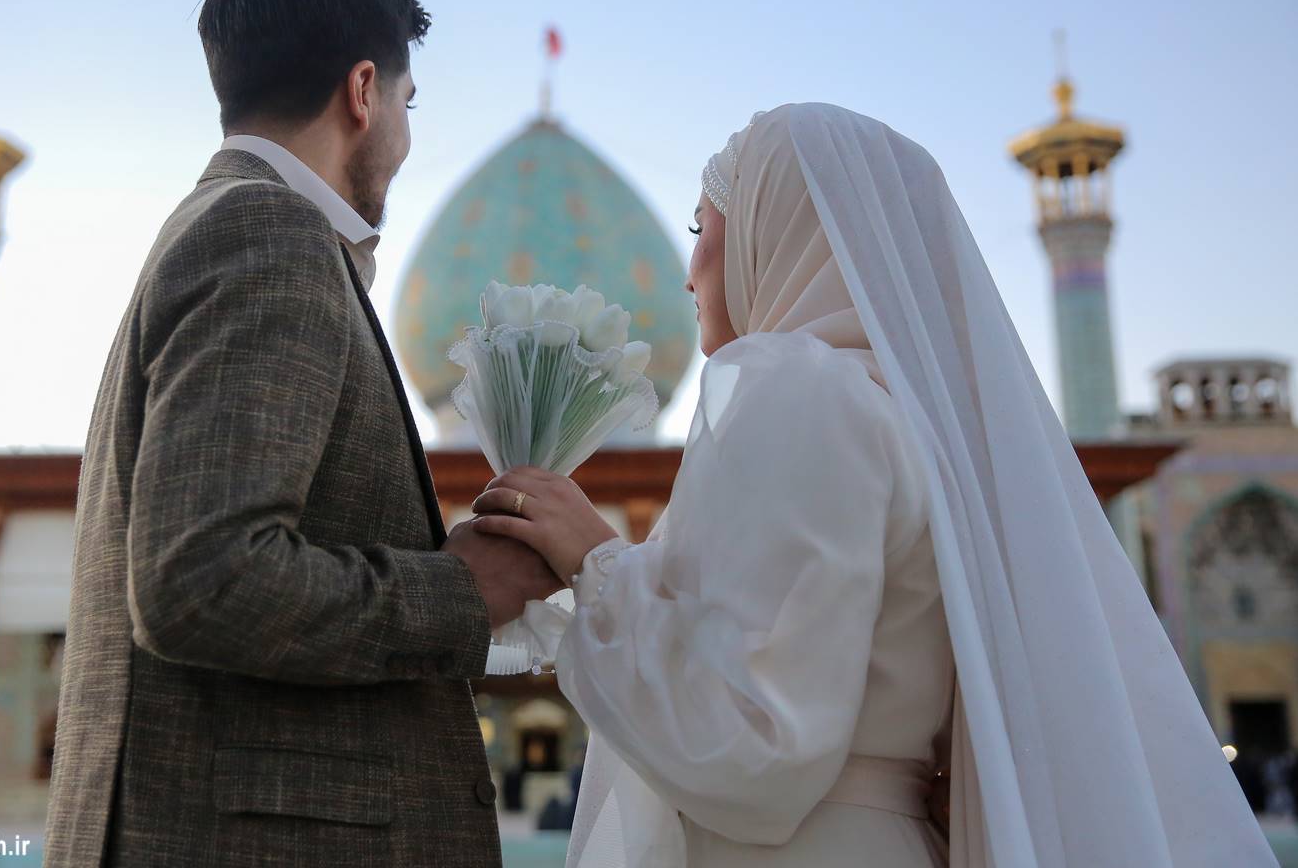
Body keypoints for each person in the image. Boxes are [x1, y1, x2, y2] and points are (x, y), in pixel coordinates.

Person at [471, 104, 1275, 866]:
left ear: (777, 228)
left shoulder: (794, 385)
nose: (688, 274)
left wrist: (595, 560)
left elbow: (755, 744)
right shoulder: (911, 427)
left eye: (700, 227)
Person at [43, 0, 558, 868]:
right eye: (407, 99)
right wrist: (461, 592)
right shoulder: (269, 232)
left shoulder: (221, 224)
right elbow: (202, 579)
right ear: (363, 91)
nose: (406, 132)